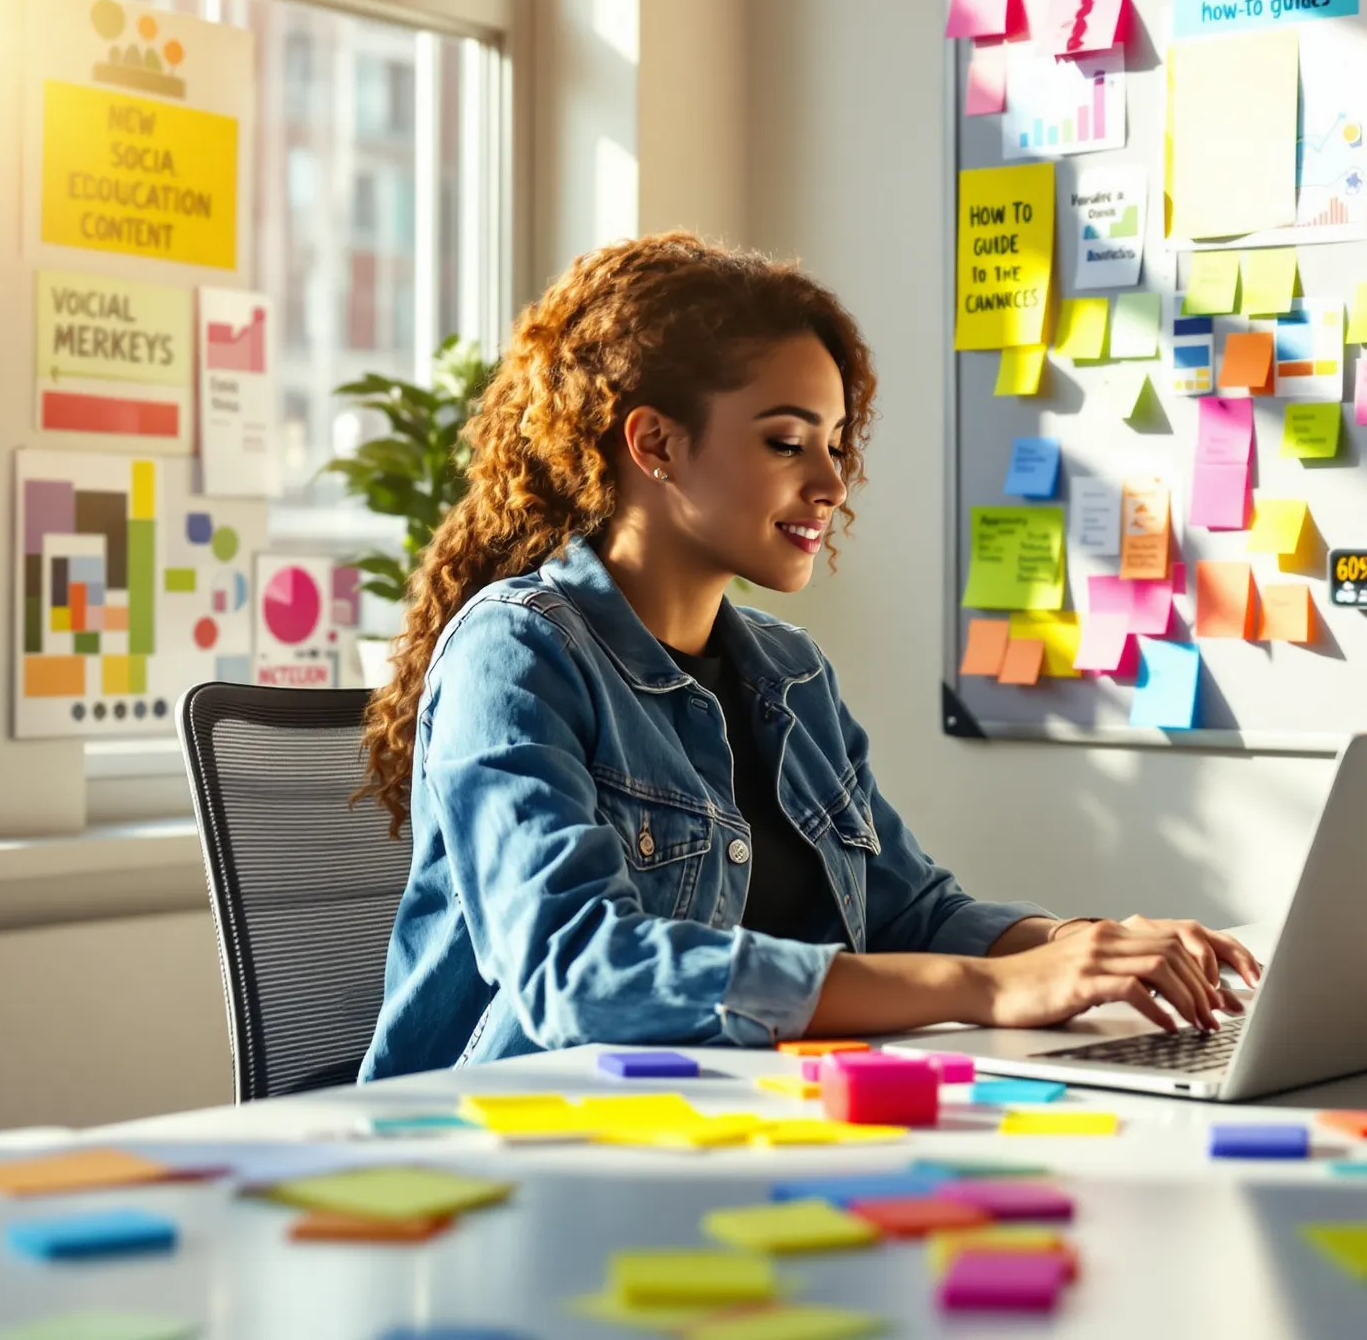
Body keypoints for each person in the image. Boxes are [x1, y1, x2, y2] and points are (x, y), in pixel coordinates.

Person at [357, 234, 1259, 1081]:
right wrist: (987, 988)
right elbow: (579, 970)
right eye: (787, 443)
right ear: (656, 444)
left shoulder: (788, 672)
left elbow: (911, 912)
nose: (830, 483)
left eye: (835, 444)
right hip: (506, 1147)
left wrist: (1083, 946)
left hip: (730, 1124)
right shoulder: (517, 654)